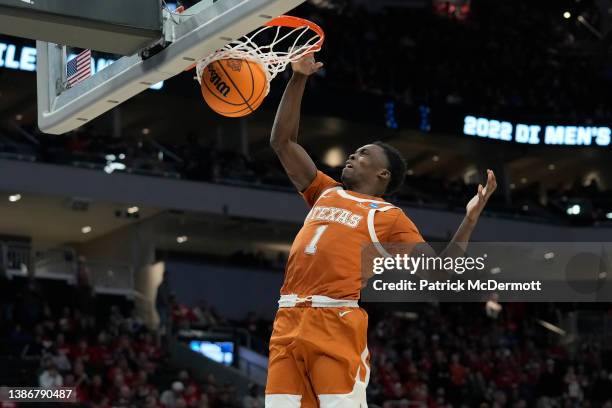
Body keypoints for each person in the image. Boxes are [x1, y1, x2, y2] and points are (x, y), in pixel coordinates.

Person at [265, 54, 497, 407]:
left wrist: (469, 219)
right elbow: (283, 142)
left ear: (383, 175)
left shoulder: (389, 216)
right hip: (287, 318)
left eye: (363, 154)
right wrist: (298, 79)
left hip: (334, 319)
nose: (352, 157)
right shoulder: (324, 191)